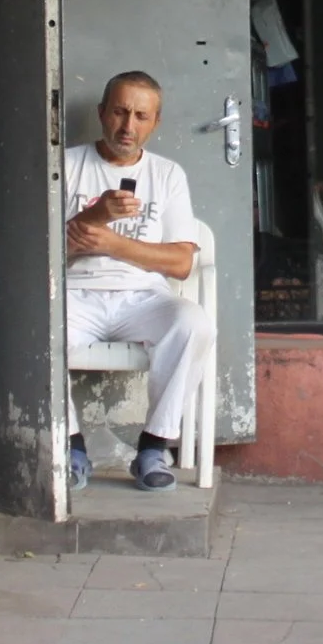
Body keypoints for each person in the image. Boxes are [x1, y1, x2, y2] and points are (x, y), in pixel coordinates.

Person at [64, 70, 216, 492]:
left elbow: (182, 263)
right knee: (31, 324)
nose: (128, 126)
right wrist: (91, 220)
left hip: (141, 299)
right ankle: (70, 447)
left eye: (141, 116)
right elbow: (37, 253)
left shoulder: (167, 175)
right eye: (120, 112)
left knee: (193, 324)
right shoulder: (65, 165)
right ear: (102, 113)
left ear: (155, 123)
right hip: (75, 295)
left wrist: (112, 242)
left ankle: (153, 447)